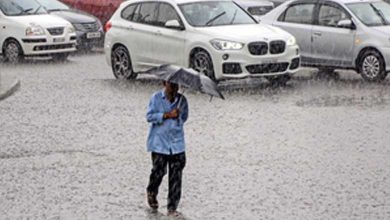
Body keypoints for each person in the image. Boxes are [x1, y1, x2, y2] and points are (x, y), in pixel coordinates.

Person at [146, 81, 188, 217]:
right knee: (158, 171)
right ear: (165, 84)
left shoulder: (182, 100)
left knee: (176, 177)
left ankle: (172, 207)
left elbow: (184, 118)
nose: (174, 89)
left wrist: (178, 115)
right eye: (171, 85)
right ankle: (152, 191)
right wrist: (166, 115)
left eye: (176, 85)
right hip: (159, 144)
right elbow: (149, 116)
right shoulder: (156, 98)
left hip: (177, 145)